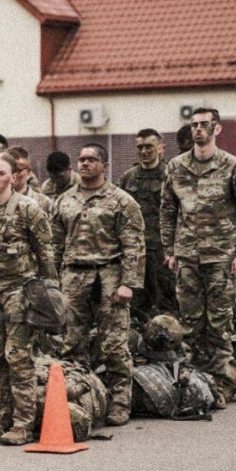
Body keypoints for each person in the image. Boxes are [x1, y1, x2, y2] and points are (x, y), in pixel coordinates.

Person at [162, 108, 236, 403]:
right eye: (194, 125)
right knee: (191, 324)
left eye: (204, 125)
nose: (198, 130)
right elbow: (168, 212)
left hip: (221, 258)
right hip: (188, 257)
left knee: (219, 324)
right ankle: (194, 383)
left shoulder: (234, 168)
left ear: (217, 129)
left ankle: (223, 383)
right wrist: (170, 250)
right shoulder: (177, 167)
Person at [0, 154, 57, 445]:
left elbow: (46, 255)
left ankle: (22, 424)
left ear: (13, 177)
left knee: (17, 357)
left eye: (0, 173)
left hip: (19, 291)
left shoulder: (29, 209)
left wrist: (49, 297)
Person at [51, 143, 145, 426]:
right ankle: (82, 401)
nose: (84, 164)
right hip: (73, 277)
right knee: (72, 345)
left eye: (92, 159)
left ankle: (119, 403)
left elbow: (134, 245)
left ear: (105, 166)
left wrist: (128, 284)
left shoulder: (122, 201)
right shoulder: (64, 200)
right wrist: (51, 282)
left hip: (109, 277)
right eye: (81, 159)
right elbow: (55, 245)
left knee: (113, 345)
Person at [118, 128, 177, 320]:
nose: (144, 151)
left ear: (161, 148)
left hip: (163, 251)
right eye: (140, 147)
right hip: (137, 252)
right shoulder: (129, 177)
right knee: (137, 305)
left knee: (167, 302)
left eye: (149, 147)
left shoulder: (172, 176)